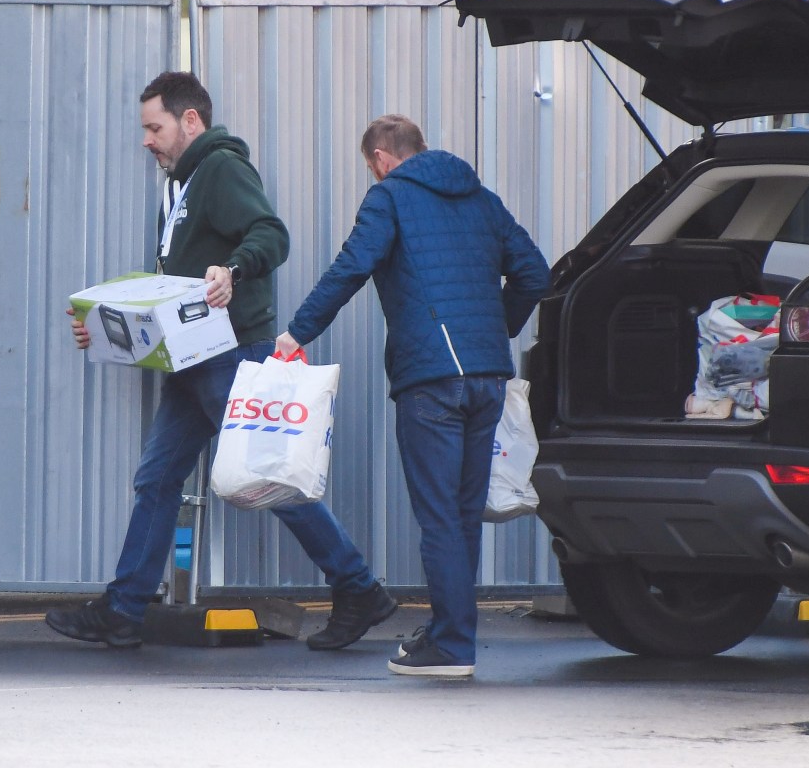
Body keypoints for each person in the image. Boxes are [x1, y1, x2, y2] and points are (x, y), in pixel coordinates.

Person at [46, 72, 395, 650]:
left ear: (190, 121)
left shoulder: (222, 170)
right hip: (192, 357)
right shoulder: (177, 184)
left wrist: (233, 271)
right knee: (157, 479)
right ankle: (124, 609)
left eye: (154, 127)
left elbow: (270, 234)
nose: (146, 140)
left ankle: (358, 586)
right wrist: (106, 329)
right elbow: (168, 287)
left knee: (266, 476)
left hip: (229, 351)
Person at [275, 114, 550, 676]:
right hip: (488, 378)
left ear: (380, 157)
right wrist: (497, 331)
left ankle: (451, 646)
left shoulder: (390, 197)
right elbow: (535, 274)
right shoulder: (483, 199)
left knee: (440, 517)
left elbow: (351, 267)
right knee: (464, 515)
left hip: (431, 380)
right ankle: (452, 630)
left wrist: (296, 333)